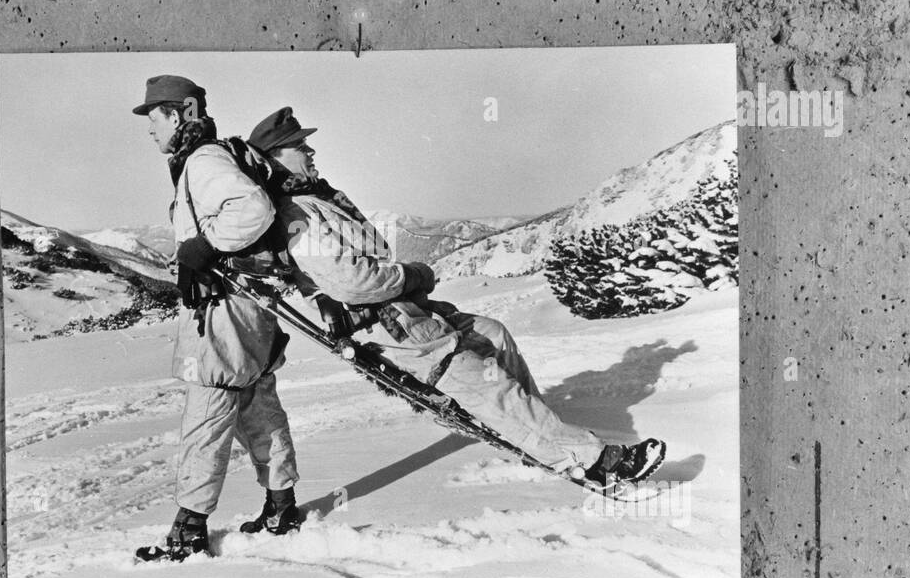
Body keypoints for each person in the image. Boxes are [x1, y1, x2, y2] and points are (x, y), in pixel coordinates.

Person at [247, 106, 665, 489]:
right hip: (390, 326)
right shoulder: (295, 216)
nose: (310, 149)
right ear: (275, 157)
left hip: (409, 312)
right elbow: (353, 282)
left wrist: (409, 285)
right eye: (299, 145)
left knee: (494, 335)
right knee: (486, 382)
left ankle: (540, 436)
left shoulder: (316, 199)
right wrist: (413, 275)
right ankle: (597, 460)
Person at [131, 77, 303, 563]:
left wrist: (203, 248)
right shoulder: (211, 157)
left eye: (154, 118)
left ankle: (189, 531)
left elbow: (254, 209)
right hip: (249, 308)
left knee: (206, 414)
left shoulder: (203, 160)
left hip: (222, 313)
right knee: (258, 406)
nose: (150, 131)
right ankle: (281, 506)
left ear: (180, 112)